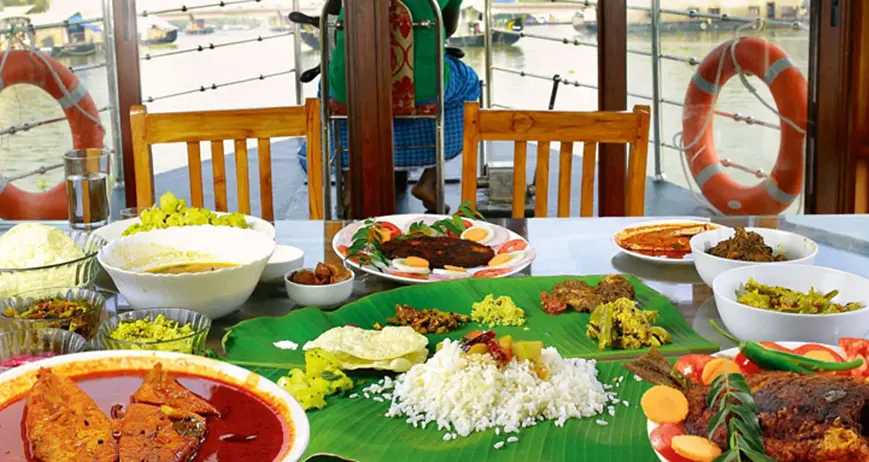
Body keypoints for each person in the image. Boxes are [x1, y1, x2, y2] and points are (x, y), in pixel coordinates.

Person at [298, 0, 480, 213]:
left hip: (352, 85)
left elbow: (331, 14)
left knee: (330, 91)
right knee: (469, 83)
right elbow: (447, 26)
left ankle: (350, 185)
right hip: (422, 86)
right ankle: (430, 181)